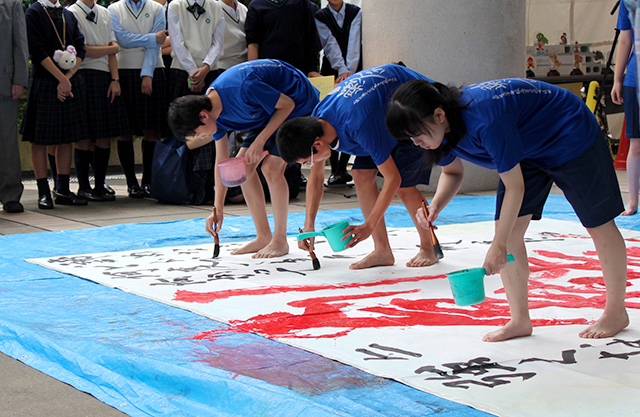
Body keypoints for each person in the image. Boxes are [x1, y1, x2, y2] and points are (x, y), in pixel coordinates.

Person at [385, 78, 630, 342]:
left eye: (417, 134)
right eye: (410, 138)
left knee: (598, 223)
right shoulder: (442, 130)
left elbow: (515, 188)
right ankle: (519, 320)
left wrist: (498, 245)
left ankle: (616, 311)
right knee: (510, 232)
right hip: (525, 146)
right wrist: (436, 206)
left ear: (439, 115)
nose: (416, 143)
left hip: (567, 131)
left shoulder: (486, 121)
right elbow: (453, 172)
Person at [276, 64, 438, 270]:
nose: (311, 165)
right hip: (380, 116)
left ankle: (428, 247)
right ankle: (382, 251)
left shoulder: (357, 124)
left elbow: (392, 179)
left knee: (404, 186)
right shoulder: (319, 118)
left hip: (413, 107)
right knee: (360, 173)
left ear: (317, 145)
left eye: (307, 161)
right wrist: (309, 225)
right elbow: (316, 180)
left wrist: (368, 226)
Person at [168, 59, 320, 257]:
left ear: (204, 116)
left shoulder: (242, 88)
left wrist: (261, 140)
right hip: (268, 111)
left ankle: (280, 240)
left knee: (271, 168)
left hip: (298, 100)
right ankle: (263, 236)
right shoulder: (214, 115)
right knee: (243, 167)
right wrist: (217, 208)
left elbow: (287, 104)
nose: (201, 138)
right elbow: (222, 164)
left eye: (198, 134)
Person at [22, 0, 89, 209]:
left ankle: (62, 189)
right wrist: (61, 78)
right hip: (44, 80)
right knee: (39, 139)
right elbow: (37, 50)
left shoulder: (67, 14)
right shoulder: (33, 12)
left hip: (68, 82)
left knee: (66, 138)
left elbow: (81, 48)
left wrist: (67, 77)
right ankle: (43, 192)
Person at [68, 0, 130, 202]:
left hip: (105, 76)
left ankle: (99, 184)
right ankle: (83, 186)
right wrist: (110, 49)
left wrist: (115, 79)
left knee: (105, 135)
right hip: (83, 74)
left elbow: (114, 49)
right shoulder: (72, 12)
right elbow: (83, 49)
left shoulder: (104, 12)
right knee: (84, 136)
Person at [167, 0, 226, 204]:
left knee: (213, 127)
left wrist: (206, 68)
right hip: (182, 70)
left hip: (211, 71)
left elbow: (218, 42)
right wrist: (194, 72)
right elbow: (177, 42)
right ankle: (187, 187)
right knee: (185, 129)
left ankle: (212, 189)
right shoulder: (175, 5)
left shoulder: (216, 6)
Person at [108, 0, 168, 198]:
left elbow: (157, 45)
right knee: (125, 131)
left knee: (152, 130)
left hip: (153, 70)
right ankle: (131, 182)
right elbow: (122, 40)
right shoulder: (113, 9)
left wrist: (147, 73)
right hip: (124, 70)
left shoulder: (157, 8)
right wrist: (152, 37)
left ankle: (148, 181)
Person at [315, 0, 361, 187]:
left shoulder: (355, 11)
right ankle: (334, 170)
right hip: (330, 70)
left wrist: (349, 71)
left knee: (351, 115)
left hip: (355, 69)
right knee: (330, 118)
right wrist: (341, 70)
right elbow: (329, 44)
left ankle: (343, 168)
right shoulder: (320, 16)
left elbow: (354, 42)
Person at [0, 0, 29, 213]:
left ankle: (10, 194)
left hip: (5, 81)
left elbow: (20, 41)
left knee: (7, 142)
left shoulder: (12, 3)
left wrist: (20, 79)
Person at [612, 1, 640, 216]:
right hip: (635, 78)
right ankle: (632, 201)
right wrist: (617, 79)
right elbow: (624, 38)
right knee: (635, 143)